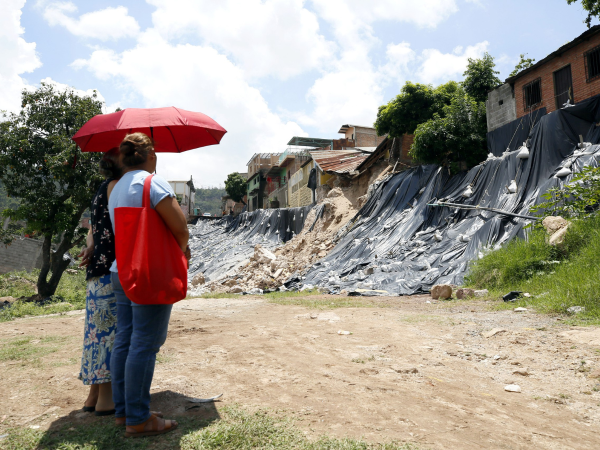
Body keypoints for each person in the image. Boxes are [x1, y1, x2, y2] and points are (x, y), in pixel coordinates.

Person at [108, 132, 191, 438]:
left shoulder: (115, 189)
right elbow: (180, 228)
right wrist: (182, 251)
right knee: (145, 343)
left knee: (126, 339)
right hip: (148, 273)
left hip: (122, 271)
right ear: (151, 156)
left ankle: (124, 411)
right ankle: (139, 418)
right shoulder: (152, 182)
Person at [78, 148, 121, 416]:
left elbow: (92, 228)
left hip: (97, 270)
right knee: (109, 334)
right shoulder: (117, 187)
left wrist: (91, 245)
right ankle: (107, 399)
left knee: (95, 333)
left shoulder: (101, 188)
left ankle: (93, 395)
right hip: (111, 269)